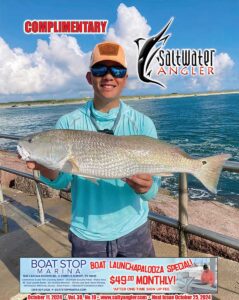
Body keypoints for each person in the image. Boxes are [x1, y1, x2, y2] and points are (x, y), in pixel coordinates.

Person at [26, 41, 160, 257]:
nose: (108, 76)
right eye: (100, 69)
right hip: (87, 237)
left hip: (135, 231)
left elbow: (153, 189)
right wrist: (46, 167)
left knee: (141, 291)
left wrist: (146, 187)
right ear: (90, 77)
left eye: (117, 70)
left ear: (125, 79)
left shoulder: (143, 124)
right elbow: (61, 182)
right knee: (92, 293)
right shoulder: (67, 124)